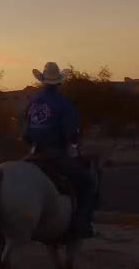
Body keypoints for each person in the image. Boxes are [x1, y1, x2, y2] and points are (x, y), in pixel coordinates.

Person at [23, 61, 97, 239]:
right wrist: (75, 142)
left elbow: (25, 132)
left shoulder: (32, 103)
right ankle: (82, 224)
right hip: (55, 155)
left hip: (33, 154)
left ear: (43, 81)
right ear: (59, 83)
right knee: (87, 183)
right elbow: (71, 133)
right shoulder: (64, 104)